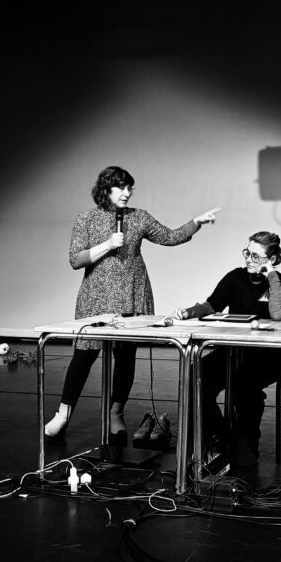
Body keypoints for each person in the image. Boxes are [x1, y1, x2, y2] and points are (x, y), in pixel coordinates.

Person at [44, 165, 220, 444]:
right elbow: (75, 260)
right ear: (106, 189)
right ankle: (63, 413)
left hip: (132, 294)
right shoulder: (86, 219)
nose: (127, 193)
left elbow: (170, 237)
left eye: (129, 188)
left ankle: (116, 413)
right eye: (121, 188)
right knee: (84, 355)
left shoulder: (139, 217)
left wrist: (196, 222)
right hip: (96, 297)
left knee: (125, 357)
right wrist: (108, 244)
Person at [172, 231, 281, 467]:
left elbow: (280, 313)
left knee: (243, 384)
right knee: (195, 376)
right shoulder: (235, 277)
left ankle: (247, 443)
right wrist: (188, 312)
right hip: (233, 352)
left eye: (256, 256)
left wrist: (271, 275)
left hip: (268, 356)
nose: (249, 259)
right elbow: (212, 305)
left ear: (272, 259)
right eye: (247, 253)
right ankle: (221, 436)